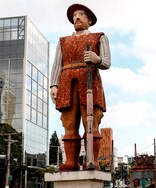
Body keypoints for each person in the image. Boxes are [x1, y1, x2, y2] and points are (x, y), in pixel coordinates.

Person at [50, 3, 111, 171]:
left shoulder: (99, 37)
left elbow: (106, 62)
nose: (77, 17)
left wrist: (96, 58)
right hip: (67, 82)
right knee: (69, 123)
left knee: (91, 123)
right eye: (75, 15)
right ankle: (71, 161)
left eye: (81, 14)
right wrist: (54, 85)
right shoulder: (63, 41)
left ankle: (93, 160)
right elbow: (57, 65)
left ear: (89, 20)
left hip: (90, 81)